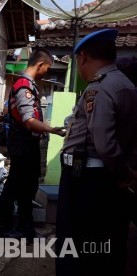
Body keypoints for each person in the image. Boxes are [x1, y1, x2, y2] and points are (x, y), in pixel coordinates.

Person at [56, 29, 137, 276]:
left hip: (88, 181)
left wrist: (124, 173)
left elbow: (103, 142)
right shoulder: (125, 85)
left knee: (77, 247)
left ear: (82, 58)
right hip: (98, 179)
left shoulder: (100, 87)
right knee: (103, 245)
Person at [0, 49, 65, 240]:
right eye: (47, 68)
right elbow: (29, 120)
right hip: (22, 143)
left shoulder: (29, 85)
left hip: (27, 143)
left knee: (28, 186)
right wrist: (53, 130)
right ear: (40, 65)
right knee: (16, 185)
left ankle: (26, 229)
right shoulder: (24, 85)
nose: (47, 72)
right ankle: (3, 227)